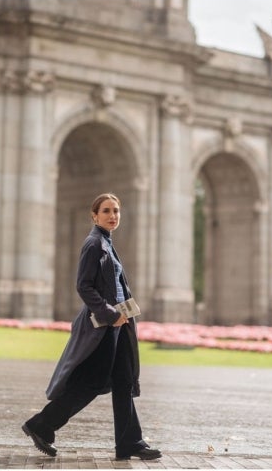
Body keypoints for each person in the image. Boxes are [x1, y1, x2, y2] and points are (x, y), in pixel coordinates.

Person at [22, 193, 162, 461]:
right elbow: (83, 286)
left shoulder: (106, 243)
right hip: (105, 327)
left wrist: (122, 315)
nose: (113, 216)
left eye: (116, 211)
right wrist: (110, 314)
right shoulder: (94, 244)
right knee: (91, 382)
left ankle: (130, 443)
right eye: (107, 211)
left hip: (119, 325)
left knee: (124, 382)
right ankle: (41, 424)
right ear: (94, 215)